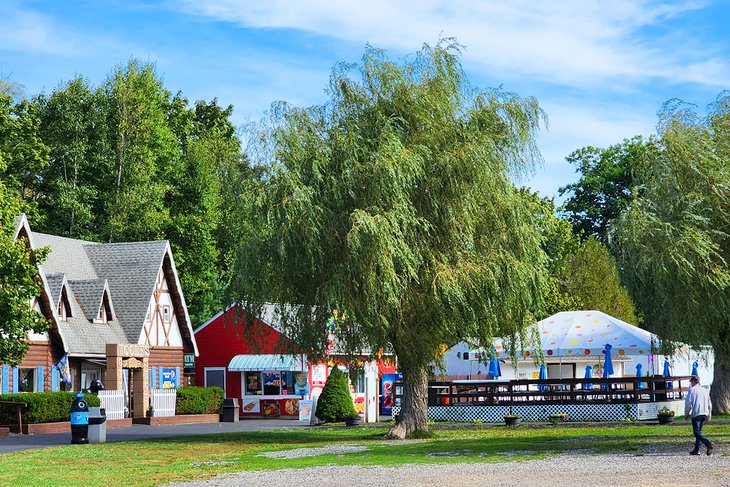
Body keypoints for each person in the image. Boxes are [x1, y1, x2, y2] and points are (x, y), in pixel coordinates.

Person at [684, 375, 713, 455]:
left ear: (693, 382)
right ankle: (696, 449)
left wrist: (686, 414)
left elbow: (688, 404)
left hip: (697, 413)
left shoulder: (692, 390)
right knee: (699, 432)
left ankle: (708, 443)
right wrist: (709, 415)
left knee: (696, 432)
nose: (691, 384)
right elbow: (709, 403)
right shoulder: (704, 390)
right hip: (704, 413)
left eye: (691, 382)